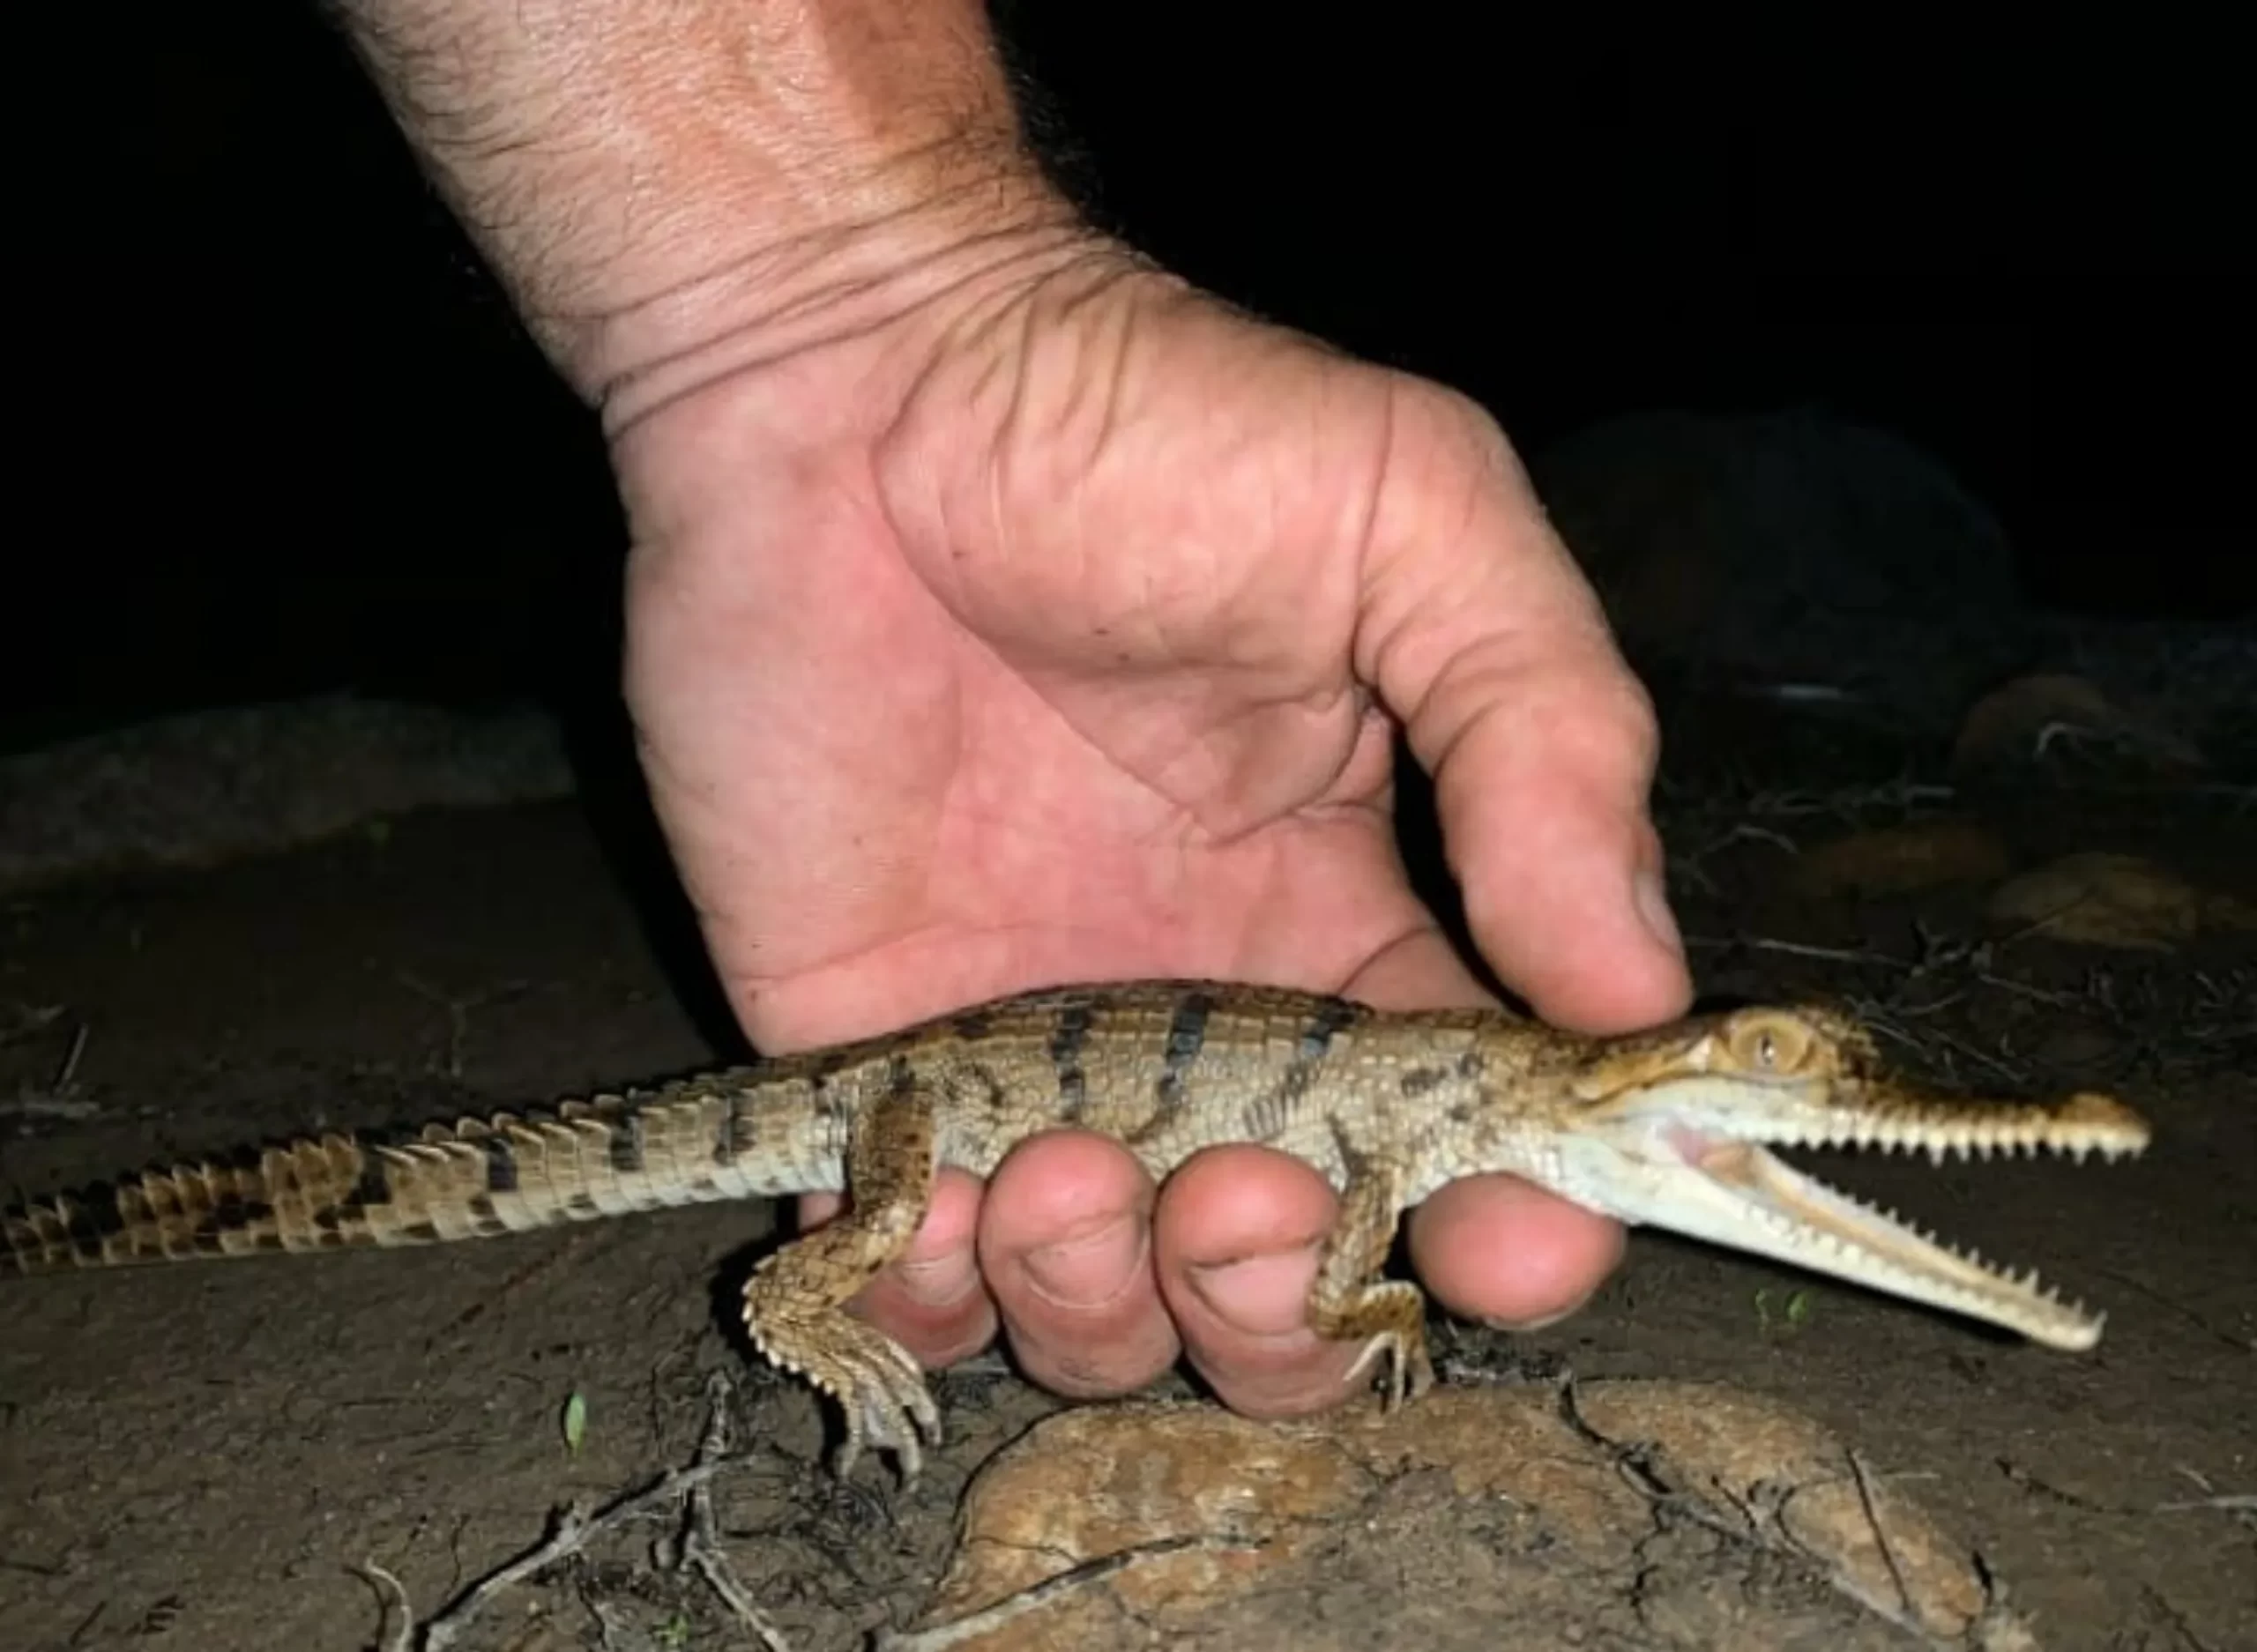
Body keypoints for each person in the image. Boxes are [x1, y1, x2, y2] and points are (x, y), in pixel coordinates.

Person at [336, 0, 1692, 1418]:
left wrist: (831, 314)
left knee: (1118, 1212)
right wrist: (845, 312)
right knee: (896, 1231)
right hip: (925, 1087)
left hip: (1005, 1068)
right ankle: (789, 1307)